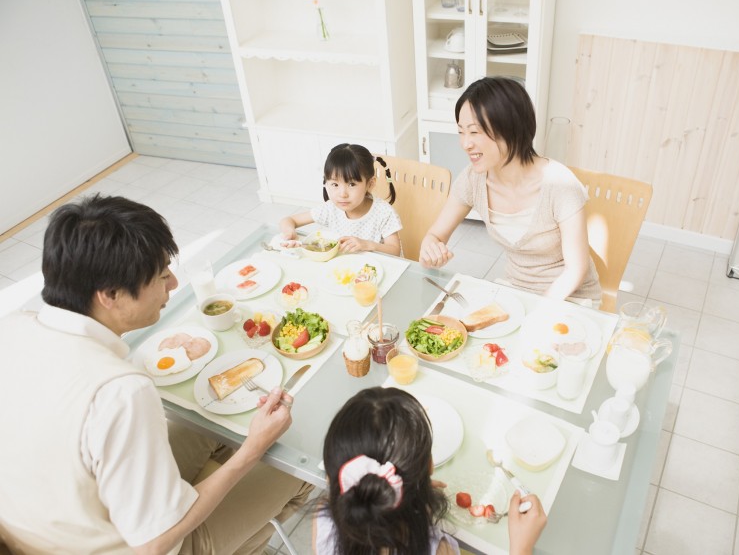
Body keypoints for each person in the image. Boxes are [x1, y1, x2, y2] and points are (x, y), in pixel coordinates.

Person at [0, 194, 313, 554]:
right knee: (292, 469)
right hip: (137, 545)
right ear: (111, 295)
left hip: (47, 522)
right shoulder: (121, 390)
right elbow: (154, 543)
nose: (174, 284)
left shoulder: (11, 325)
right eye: (162, 275)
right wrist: (252, 451)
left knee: (212, 424)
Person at [419, 76, 602, 306]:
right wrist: (430, 246)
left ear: (510, 129)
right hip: (517, 292)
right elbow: (435, 235)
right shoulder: (472, 179)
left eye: (474, 132)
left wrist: (539, 311)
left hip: (571, 298)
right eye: (461, 132)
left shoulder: (560, 185)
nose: (466, 144)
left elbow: (576, 270)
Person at [314, 387, 548, 555]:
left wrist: (411, 497)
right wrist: (522, 547)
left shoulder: (323, 518)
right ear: (430, 465)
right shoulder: (438, 550)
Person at [279, 143, 403, 256]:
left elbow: (395, 251)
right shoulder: (330, 208)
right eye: (335, 185)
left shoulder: (383, 213)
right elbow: (289, 220)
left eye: (352, 184)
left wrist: (368, 245)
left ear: (370, 184)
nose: (342, 194)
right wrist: (290, 233)